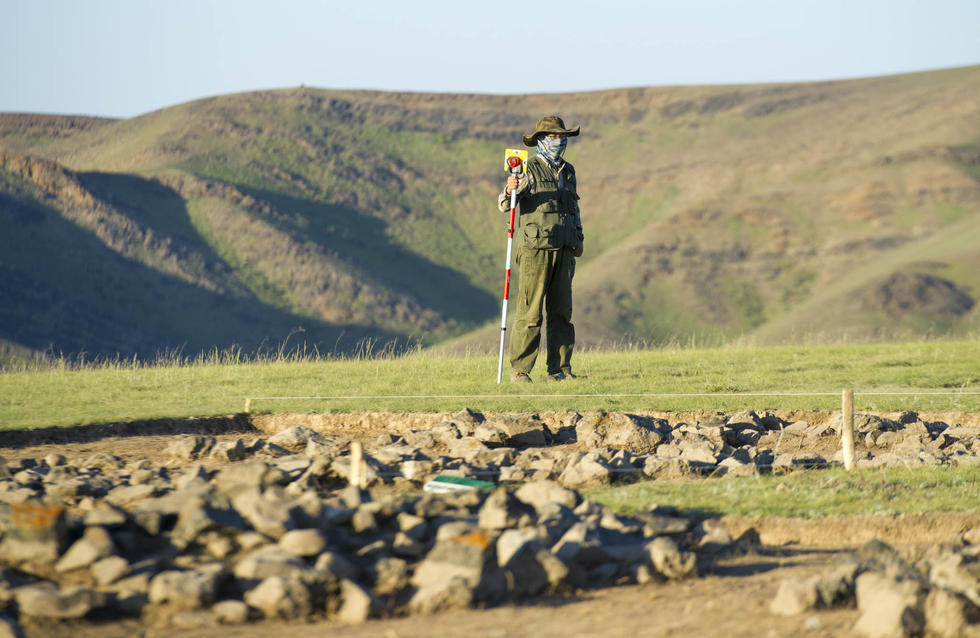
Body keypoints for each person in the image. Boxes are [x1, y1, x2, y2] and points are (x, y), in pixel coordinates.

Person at [497, 115, 584, 383]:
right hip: (536, 250)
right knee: (530, 312)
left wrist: (579, 237)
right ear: (541, 140)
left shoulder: (569, 171)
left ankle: (559, 370)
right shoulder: (529, 168)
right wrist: (510, 188)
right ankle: (520, 371)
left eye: (562, 137)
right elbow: (505, 204)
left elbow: (574, 208)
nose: (559, 141)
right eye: (554, 137)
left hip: (565, 249)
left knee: (561, 313)